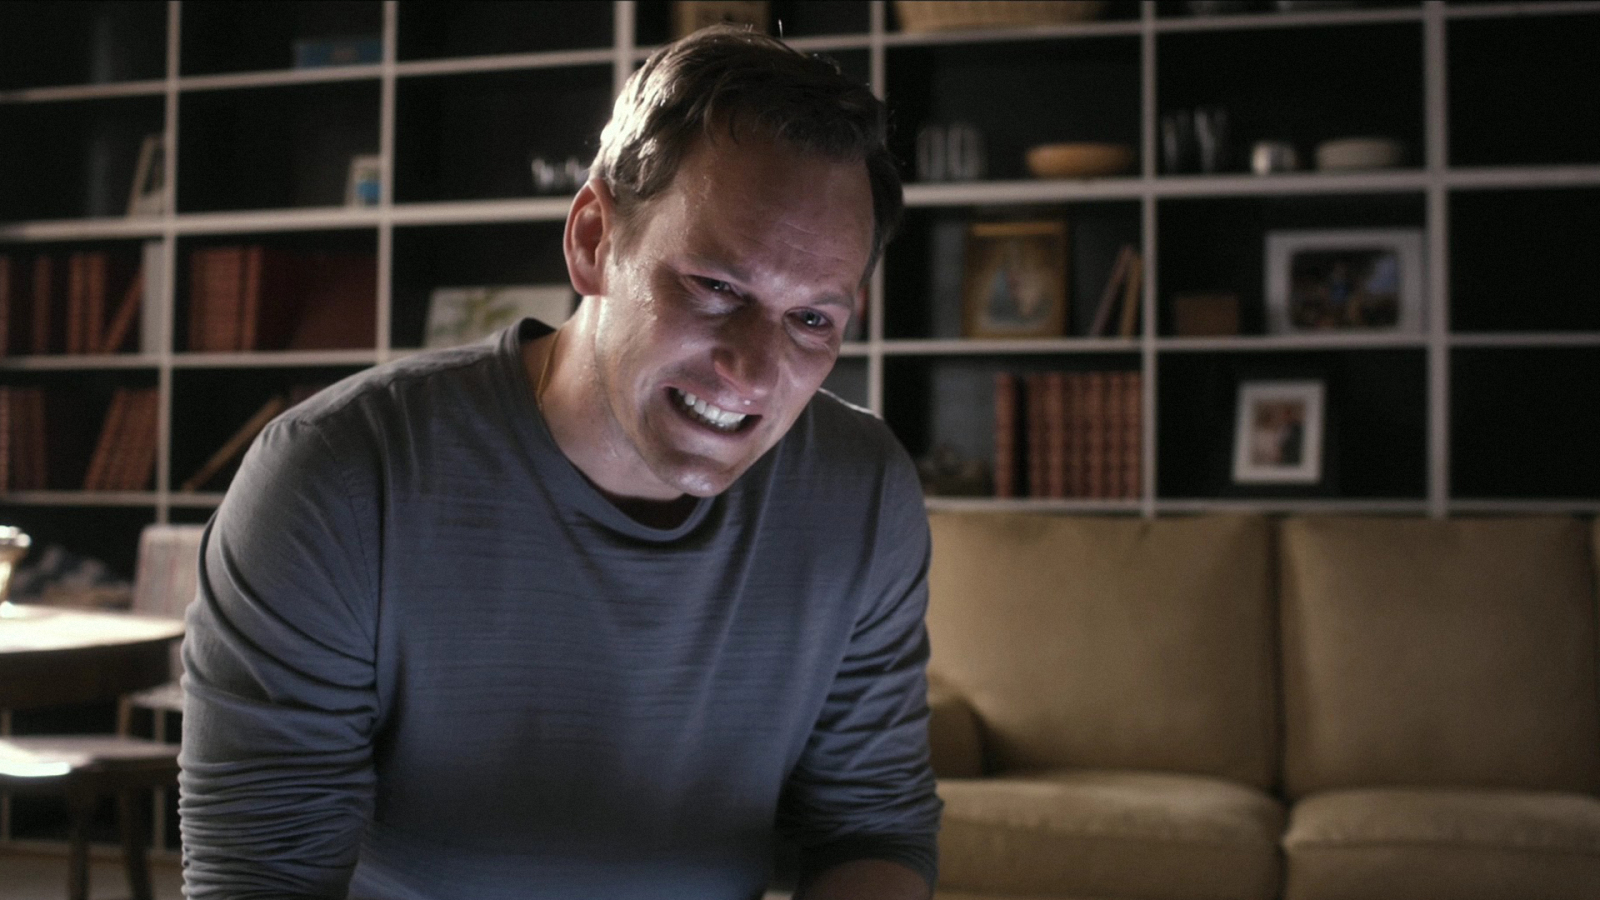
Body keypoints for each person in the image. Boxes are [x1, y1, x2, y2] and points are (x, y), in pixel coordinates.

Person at [178, 24, 942, 900]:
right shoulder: (340, 480)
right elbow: (263, 875)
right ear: (592, 240)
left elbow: (871, 829)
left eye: (811, 319)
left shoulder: (860, 493)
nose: (753, 371)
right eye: (715, 286)